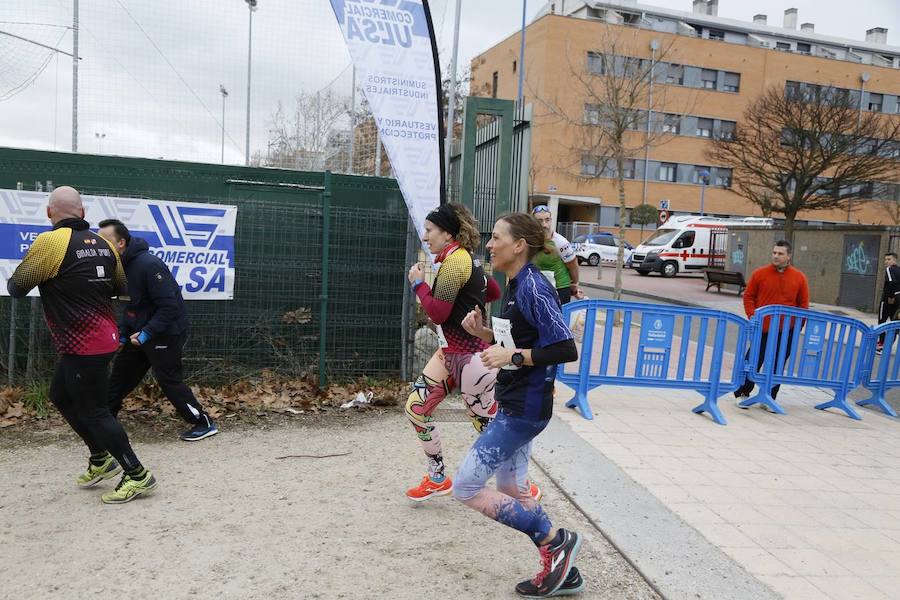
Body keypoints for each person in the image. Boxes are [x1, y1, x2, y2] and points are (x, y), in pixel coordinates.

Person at [456, 213, 583, 597]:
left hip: (525, 409)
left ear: (519, 246)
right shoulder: (515, 283)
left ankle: (554, 541)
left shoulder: (532, 287)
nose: (489, 245)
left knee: (465, 487)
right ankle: (561, 565)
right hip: (518, 402)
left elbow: (564, 348)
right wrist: (484, 333)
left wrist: (513, 359)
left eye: (496, 238)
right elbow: (523, 335)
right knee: (511, 485)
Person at [6, 186, 157, 504]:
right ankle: (101, 458)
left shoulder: (50, 241)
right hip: (101, 337)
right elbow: (120, 287)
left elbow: (17, 287)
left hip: (84, 343)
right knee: (60, 395)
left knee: (95, 411)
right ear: (83, 213)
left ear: (50, 213)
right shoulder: (104, 243)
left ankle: (136, 474)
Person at [405, 203, 541, 502]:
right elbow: (490, 291)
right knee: (416, 408)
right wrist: (468, 301)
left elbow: (438, 313)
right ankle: (438, 476)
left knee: (488, 430)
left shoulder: (456, 262)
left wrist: (418, 284)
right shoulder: (463, 261)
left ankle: (521, 484)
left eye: (429, 231)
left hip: (473, 359)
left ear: (447, 232)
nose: (425, 237)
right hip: (449, 353)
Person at [98, 219, 218, 441]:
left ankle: (203, 422)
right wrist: (124, 333)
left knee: (168, 380)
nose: (99, 245)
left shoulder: (149, 265)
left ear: (121, 242)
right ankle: (104, 421)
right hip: (140, 334)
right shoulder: (118, 267)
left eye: (105, 241)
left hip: (166, 332)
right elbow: (130, 305)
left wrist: (146, 333)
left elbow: (169, 307)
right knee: (121, 375)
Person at [735, 240, 809, 408]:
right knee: (752, 360)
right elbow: (749, 296)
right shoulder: (760, 274)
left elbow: (803, 305)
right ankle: (742, 392)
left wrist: (797, 327)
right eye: (774, 252)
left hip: (786, 331)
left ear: (789, 256)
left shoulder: (799, 277)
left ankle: (769, 397)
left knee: (778, 363)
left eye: (780, 253)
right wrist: (752, 316)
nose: (776, 256)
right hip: (762, 327)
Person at [530, 205, 580, 304]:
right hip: (536, 287)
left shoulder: (560, 242)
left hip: (559, 289)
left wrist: (574, 285)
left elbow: (573, 265)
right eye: (540, 221)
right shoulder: (528, 240)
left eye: (547, 220)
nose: (544, 225)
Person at [876, 252, 900, 355]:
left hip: (888, 300)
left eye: (889, 259)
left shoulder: (889, 269)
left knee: (882, 321)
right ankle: (888, 345)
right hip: (898, 300)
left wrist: (891, 296)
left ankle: (881, 345)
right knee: (893, 323)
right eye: (885, 259)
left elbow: (891, 282)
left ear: (895, 260)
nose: (886, 262)